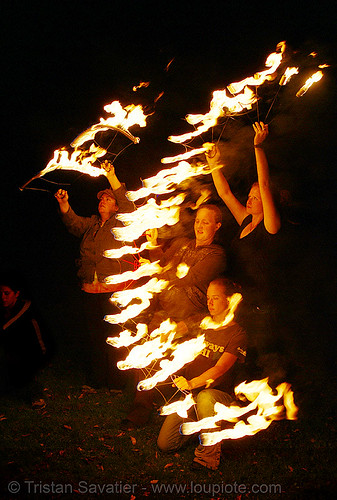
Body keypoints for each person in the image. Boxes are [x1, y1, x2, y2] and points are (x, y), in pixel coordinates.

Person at [121, 204, 227, 427]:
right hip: (163, 313)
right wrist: (153, 243)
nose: (199, 225)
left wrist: (157, 270)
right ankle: (141, 409)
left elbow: (189, 278)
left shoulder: (217, 255)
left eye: (205, 222)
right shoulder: (182, 245)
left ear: (217, 226)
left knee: (176, 366)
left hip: (188, 320)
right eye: (198, 220)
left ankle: (175, 412)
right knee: (146, 361)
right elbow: (161, 262)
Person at [205, 122, 283, 383]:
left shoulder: (270, 226)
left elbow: (264, 182)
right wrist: (215, 163)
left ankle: (271, 405)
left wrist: (258, 147)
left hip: (262, 305)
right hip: (240, 302)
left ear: (266, 199)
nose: (250, 199)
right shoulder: (244, 222)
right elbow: (225, 193)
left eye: (256, 196)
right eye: (249, 195)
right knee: (241, 355)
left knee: (264, 356)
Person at [54, 162, 135, 389]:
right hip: (90, 289)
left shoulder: (123, 223)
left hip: (114, 291)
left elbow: (128, 203)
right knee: (96, 338)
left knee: (115, 338)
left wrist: (111, 175)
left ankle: (118, 382)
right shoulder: (91, 224)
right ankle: (98, 381)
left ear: (117, 207)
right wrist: (64, 203)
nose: (102, 201)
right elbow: (73, 223)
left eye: (108, 199)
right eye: (101, 199)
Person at [157, 277, 247, 471]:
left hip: (217, 396)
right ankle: (199, 423)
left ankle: (208, 457)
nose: (210, 303)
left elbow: (220, 368)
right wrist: (158, 338)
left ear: (229, 300)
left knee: (206, 397)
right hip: (191, 395)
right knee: (165, 444)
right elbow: (176, 330)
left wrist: (191, 383)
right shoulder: (201, 321)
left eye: (215, 298)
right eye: (208, 298)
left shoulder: (237, 334)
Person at [0, 273, 48, 399]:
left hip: (33, 352)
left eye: (6, 293)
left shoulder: (25, 308)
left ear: (16, 294)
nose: (3, 298)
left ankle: (36, 396)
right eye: (1, 294)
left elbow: (6, 327)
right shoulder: (5, 309)